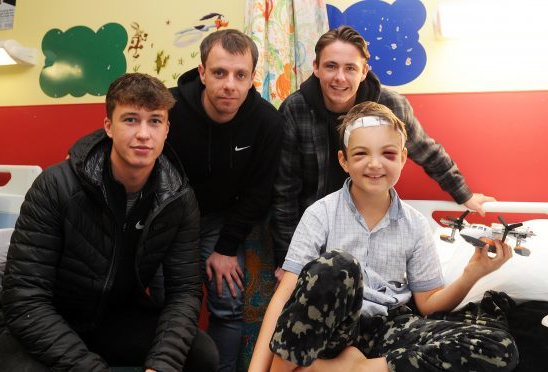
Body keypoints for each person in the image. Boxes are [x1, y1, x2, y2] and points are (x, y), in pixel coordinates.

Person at [249, 101, 518, 371]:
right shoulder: (320, 214)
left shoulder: (415, 224)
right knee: (339, 265)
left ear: (402, 158)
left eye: (388, 154)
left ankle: (355, 368)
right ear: (343, 160)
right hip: (334, 330)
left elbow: (428, 305)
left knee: (498, 346)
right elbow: (285, 297)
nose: (375, 164)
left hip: (388, 328)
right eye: (361, 154)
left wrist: (472, 273)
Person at [0, 73, 218, 371]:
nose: (144, 134)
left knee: (202, 353)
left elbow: (184, 294)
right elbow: (25, 298)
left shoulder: (178, 199)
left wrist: (162, 365)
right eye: (131, 120)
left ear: (166, 130)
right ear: (108, 126)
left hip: (114, 318)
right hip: (43, 318)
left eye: (155, 121)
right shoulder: (55, 186)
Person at [271, 26, 495, 275]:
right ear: (316, 67)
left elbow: (426, 151)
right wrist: (286, 260)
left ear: (364, 71)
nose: (340, 78)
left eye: (350, 68)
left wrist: (464, 194)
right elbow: (285, 190)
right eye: (331, 66)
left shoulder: (390, 106)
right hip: (317, 229)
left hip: (372, 223)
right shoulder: (296, 108)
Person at [167, 29, 284, 371]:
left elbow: (260, 192)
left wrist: (225, 248)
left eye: (240, 75)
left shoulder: (267, 123)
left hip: (219, 220)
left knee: (229, 303)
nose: (229, 85)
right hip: (168, 219)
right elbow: (122, 128)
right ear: (202, 73)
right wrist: (83, 151)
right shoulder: (169, 107)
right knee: (166, 305)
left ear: (252, 79)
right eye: (219, 73)